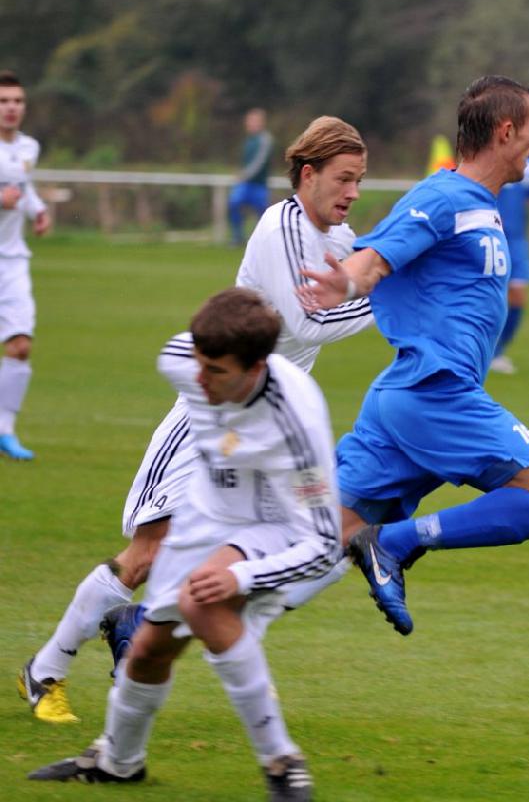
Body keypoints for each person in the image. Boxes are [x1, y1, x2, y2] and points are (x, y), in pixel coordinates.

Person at [18, 115, 373, 723]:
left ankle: (170, 640)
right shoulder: (280, 228)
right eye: (344, 179)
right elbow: (307, 324)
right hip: (209, 415)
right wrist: (386, 298)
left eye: (360, 181)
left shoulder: (336, 237)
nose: (353, 193)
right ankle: (46, 669)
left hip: (266, 426)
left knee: (261, 552)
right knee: (146, 554)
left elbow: (374, 257)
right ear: (308, 176)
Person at [28, 288, 342, 802]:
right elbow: (186, 362)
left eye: (215, 371)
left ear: (257, 367)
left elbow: (324, 544)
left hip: (274, 525)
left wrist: (242, 579)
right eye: (198, 363)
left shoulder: (295, 424)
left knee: (203, 599)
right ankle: (118, 763)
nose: (198, 380)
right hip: (204, 517)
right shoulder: (187, 360)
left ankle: (282, 762)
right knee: (150, 649)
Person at [297, 76, 529, 637]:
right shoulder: (443, 196)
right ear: (506, 131)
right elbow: (376, 257)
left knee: (317, 544)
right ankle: (397, 544)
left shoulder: (481, 204)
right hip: (436, 393)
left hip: (405, 402)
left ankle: (156, 620)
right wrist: (347, 282)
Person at [0, 70, 50, 460]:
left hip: (12, 260)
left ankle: (5, 429)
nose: (11, 108)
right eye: (4, 101)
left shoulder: (28, 148)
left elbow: (25, 189)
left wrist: (39, 211)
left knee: (20, 346)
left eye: (17, 101)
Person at [490, 152, 529, 374]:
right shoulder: (492, 156)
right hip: (490, 235)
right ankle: (479, 350)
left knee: (518, 294)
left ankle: (497, 351)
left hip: (517, 240)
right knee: (489, 295)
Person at [227, 108, 274, 245]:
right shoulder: (249, 140)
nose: (250, 124)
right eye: (249, 121)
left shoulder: (265, 139)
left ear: (261, 122)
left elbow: (260, 161)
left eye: (253, 121)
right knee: (234, 202)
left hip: (258, 185)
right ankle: (237, 237)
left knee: (263, 214)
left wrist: (244, 175)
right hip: (245, 184)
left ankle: (264, 241)